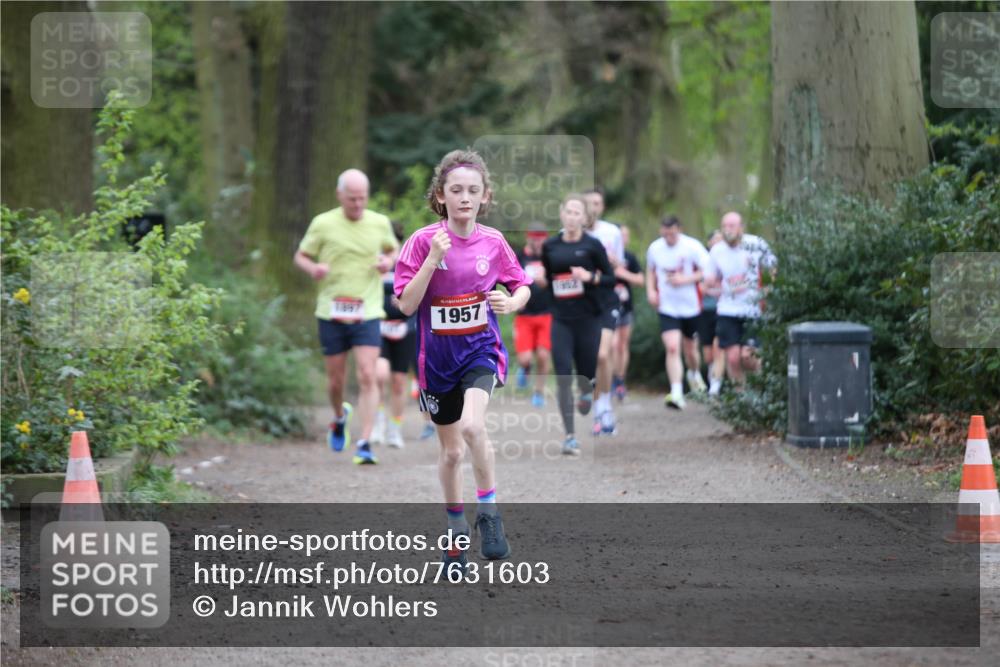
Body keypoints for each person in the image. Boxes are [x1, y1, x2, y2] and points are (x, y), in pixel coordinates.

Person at [394, 150, 531, 569]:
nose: (465, 197)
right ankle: (456, 533)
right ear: (441, 196)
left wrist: (512, 302)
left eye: (473, 190)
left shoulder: (493, 241)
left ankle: (489, 516)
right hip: (435, 361)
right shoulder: (421, 242)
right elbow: (405, 305)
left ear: (484, 196)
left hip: (479, 350)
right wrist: (433, 259)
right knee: (452, 454)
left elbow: (522, 284)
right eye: (456, 190)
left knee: (474, 425)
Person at [294, 168, 398, 464]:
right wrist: (313, 269)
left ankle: (365, 442)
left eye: (362, 198)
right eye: (352, 199)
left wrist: (387, 261)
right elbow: (300, 256)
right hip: (331, 311)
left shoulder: (379, 223)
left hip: (368, 310)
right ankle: (340, 416)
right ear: (340, 195)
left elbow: (394, 250)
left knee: (368, 374)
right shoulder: (323, 223)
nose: (358, 204)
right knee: (336, 381)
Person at [542, 193, 616, 455]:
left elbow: (610, 279)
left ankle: (587, 392)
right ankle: (570, 436)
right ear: (561, 214)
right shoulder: (550, 246)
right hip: (561, 320)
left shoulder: (593, 245)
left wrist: (590, 277)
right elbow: (550, 279)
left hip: (589, 319)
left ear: (584, 218)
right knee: (563, 376)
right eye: (568, 211)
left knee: (586, 374)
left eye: (577, 213)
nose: (572, 217)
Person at [705, 211, 776, 388]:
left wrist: (769, 288)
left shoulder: (756, 244)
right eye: (724, 227)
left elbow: (772, 267)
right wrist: (713, 285)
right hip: (727, 310)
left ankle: (761, 389)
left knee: (749, 356)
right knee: (733, 358)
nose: (728, 230)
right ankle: (741, 399)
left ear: (741, 228)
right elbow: (709, 280)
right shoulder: (716, 251)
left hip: (752, 309)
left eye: (732, 226)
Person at [646, 215, 710, 410]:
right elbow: (650, 271)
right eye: (665, 234)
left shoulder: (692, 246)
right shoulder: (655, 248)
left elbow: (707, 272)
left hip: (691, 306)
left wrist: (685, 279)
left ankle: (694, 372)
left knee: (691, 350)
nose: (669, 238)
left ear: (679, 230)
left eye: (672, 234)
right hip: (667, 307)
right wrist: (651, 291)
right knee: (673, 347)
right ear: (661, 231)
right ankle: (676, 392)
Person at [582, 188, 625, 435]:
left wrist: (610, 264)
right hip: (580, 304)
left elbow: (618, 267)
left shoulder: (612, 232)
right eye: (588, 204)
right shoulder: (569, 234)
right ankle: (598, 402)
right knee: (589, 361)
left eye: (597, 203)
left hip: (607, 300)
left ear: (602, 206)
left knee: (602, 355)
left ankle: (604, 406)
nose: (593, 208)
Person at [372, 221, 414, 449]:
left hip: (405, 328)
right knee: (379, 375)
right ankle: (377, 423)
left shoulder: (408, 262)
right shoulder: (376, 261)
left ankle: (394, 429)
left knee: (398, 382)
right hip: (378, 325)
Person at [513, 222, 552, 407]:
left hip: (546, 313)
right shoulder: (519, 257)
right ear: (529, 237)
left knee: (543, 356)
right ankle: (525, 367)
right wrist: (515, 298)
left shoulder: (549, 257)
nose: (538, 242)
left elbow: (557, 282)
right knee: (525, 357)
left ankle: (538, 392)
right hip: (525, 315)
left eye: (541, 238)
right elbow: (509, 280)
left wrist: (545, 281)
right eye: (535, 238)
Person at [611, 225, 644, 402]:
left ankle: (620, 380)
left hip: (626, 307)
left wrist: (622, 273)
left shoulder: (630, 257)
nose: (624, 238)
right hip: (608, 308)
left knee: (622, 345)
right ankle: (608, 381)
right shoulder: (604, 255)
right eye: (621, 235)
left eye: (626, 235)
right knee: (612, 344)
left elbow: (640, 280)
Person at [699, 230, 726, 396]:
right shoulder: (704, 261)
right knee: (708, 355)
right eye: (714, 240)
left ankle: (715, 386)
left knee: (719, 347)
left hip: (723, 310)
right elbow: (701, 288)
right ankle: (712, 378)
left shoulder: (729, 260)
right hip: (705, 310)